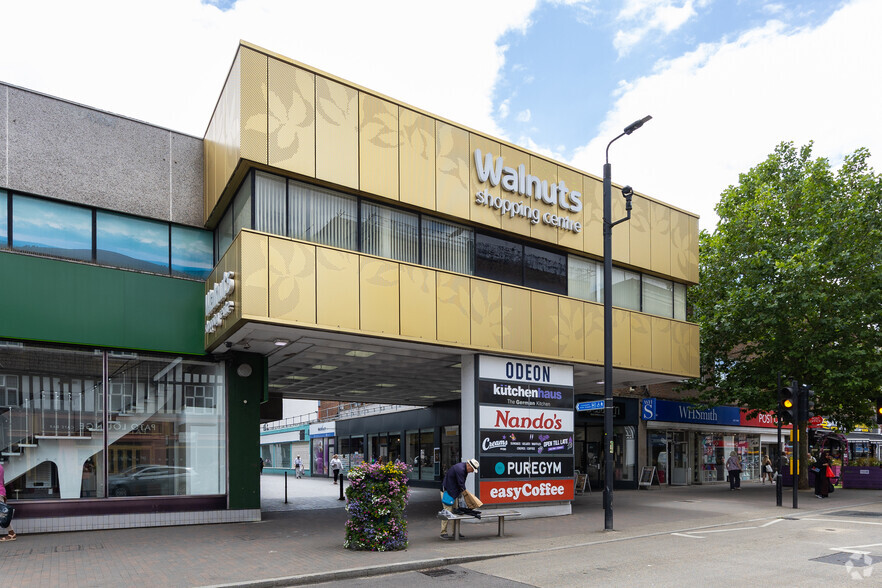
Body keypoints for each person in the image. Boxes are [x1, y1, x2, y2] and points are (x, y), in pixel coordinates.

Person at [440, 458, 479, 539]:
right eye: (472, 469)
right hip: (447, 492)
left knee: (454, 512)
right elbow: (461, 484)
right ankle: (443, 532)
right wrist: (466, 495)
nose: (472, 471)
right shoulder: (460, 469)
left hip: (452, 492)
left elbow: (460, 484)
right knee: (446, 512)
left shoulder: (463, 469)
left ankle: (455, 531)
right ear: (469, 466)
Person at [0, 462, 17, 542]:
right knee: (2, 514)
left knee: (3, 514)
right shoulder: (0, 467)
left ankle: (11, 533)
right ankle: (11, 533)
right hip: (1, 492)